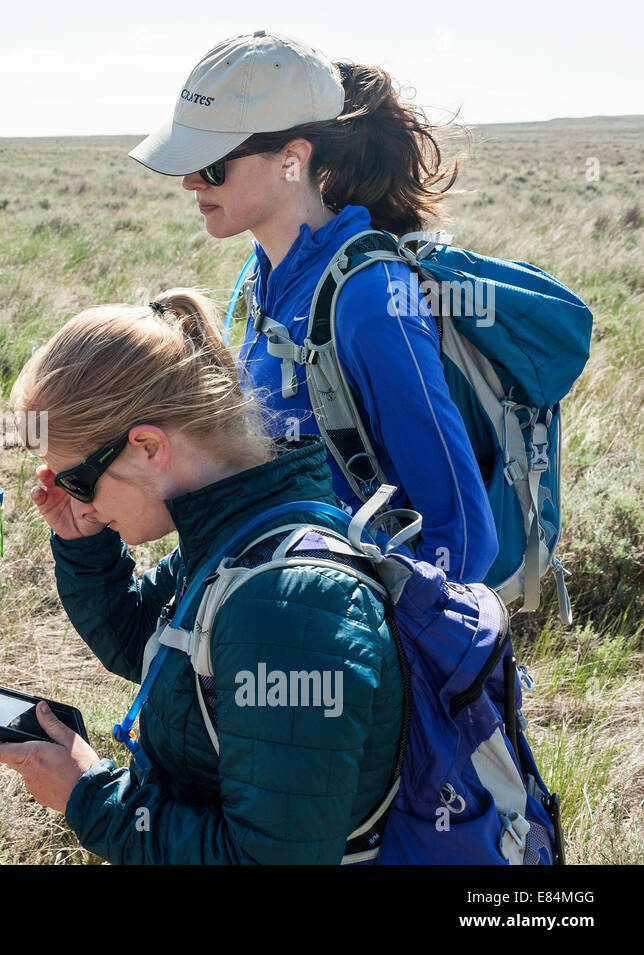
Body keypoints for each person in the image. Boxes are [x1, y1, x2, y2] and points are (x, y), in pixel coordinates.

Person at [0, 290, 404, 864]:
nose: (73, 503)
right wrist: (83, 542)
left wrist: (91, 796)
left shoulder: (285, 605)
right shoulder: (239, 533)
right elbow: (147, 644)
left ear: (147, 446)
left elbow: (269, 861)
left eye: (77, 483)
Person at [128, 31, 497, 583]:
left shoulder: (370, 302)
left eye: (212, 164)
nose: (188, 181)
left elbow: (465, 537)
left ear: (292, 160)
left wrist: (386, 641)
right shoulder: (262, 279)